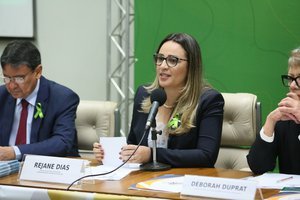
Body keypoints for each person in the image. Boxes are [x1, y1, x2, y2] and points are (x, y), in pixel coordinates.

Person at [94, 33, 224, 167]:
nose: (163, 66)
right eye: (160, 58)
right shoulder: (145, 94)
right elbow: (133, 143)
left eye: (172, 60)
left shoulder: (208, 100)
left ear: (191, 66)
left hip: (182, 181)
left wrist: (152, 154)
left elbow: (206, 156)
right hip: (143, 181)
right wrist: (109, 153)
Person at [0, 40, 80, 161]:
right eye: (7, 78)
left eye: (19, 78)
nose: (11, 86)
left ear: (38, 72)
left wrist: (14, 152)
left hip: (44, 171)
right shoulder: (2, 96)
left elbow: (62, 143)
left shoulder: (63, 98)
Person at [247, 47, 300, 175]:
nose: (292, 85)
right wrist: (270, 121)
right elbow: (258, 166)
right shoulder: (286, 117)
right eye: (291, 78)